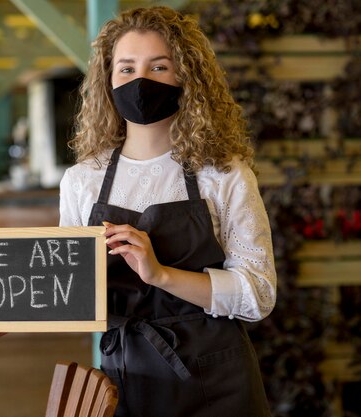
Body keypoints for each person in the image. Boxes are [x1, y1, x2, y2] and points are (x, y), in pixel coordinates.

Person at [57, 6, 276, 417]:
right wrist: (7, 317)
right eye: (126, 68)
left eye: (158, 66)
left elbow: (257, 294)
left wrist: (160, 274)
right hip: (126, 378)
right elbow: (72, 292)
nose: (141, 81)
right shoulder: (82, 181)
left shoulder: (224, 175)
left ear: (185, 76)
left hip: (218, 381)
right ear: (108, 81)